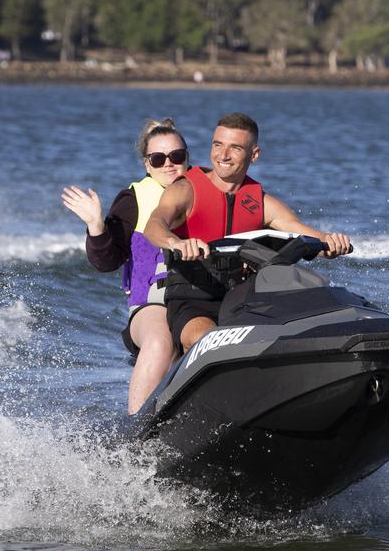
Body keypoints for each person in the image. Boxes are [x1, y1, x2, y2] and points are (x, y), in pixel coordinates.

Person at [143, 112, 352, 353]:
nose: (222, 155)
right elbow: (154, 225)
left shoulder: (261, 203)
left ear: (254, 155)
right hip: (193, 298)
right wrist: (176, 243)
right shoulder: (185, 190)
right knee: (208, 338)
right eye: (217, 145)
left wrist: (331, 242)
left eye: (235, 148)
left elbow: (307, 236)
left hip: (244, 301)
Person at [62, 118, 191, 414]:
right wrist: (96, 225)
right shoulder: (133, 200)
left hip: (200, 299)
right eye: (158, 159)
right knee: (161, 341)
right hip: (153, 305)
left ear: (187, 158)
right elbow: (106, 261)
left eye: (177, 156)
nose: (169, 164)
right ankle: (136, 429)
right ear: (147, 164)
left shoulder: (206, 191)